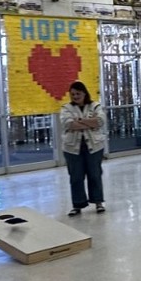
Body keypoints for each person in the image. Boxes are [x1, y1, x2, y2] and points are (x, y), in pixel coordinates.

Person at [59, 80, 106, 216]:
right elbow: (68, 124)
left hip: (94, 147)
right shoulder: (66, 108)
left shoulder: (95, 105)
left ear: (84, 93)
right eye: (72, 94)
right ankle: (78, 204)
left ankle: (98, 202)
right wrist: (89, 123)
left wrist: (79, 121)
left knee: (95, 175)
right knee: (76, 177)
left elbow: (100, 121)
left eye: (78, 93)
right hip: (72, 149)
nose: (75, 96)